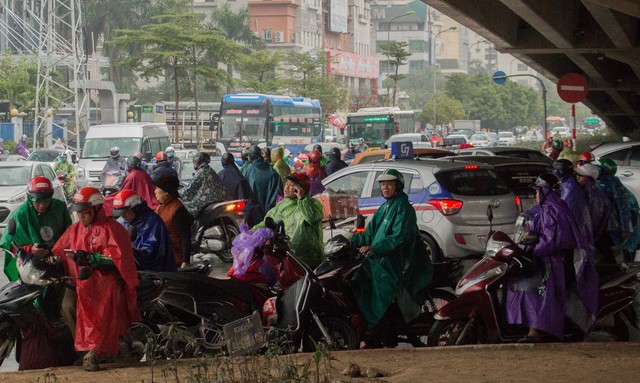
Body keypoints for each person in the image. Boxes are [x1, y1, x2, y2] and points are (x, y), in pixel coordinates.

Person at [52, 187, 140, 372]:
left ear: (96, 209)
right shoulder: (75, 229)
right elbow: (59, 249)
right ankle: (86, 349)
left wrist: (92, 258)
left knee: (99, 309)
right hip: (81, 281)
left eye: (84, 213)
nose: (81, 217)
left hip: (105, 280)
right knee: (67, 306)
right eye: (78, 213)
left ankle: (94, 350)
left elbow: (119, 262)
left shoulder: (113, 230)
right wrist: (48, 257)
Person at [506, 173, 598, 343]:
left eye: (537, 191)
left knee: (534, 290)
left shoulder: (553, 211)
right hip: (548, 260)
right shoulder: (550, 208)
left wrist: (530, 248)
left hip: (553, 263)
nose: (536, 195)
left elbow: (552, 241)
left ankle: (535, 332)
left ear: (544, 192)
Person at [348, 169, 433, 348]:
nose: (385, 187)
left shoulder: (404, 208)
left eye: (389, 184)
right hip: (381, 258)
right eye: (382, 184)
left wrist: (375, 249)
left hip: (398, 262)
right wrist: (350, 241)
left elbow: (399, 238)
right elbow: (369, 233)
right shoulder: (385, 207)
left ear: (398, 186)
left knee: (381, 289)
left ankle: (381, 334)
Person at [253, 172, 324, 268]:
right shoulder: (282, 205)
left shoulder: (313, 203)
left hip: (311, 259)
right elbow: (266, 222)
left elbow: (312, 218)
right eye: (286, 183)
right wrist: (250, 232)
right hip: (289, 257)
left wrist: (302, 199)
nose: (286, 187)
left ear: (300, 189)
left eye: (291, 185)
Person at [112, 189, 177, 272]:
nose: (123, 216)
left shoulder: (153, 222)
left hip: (156, 273)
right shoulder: (122, 222)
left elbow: (150, 254)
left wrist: (128, 250)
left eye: (125, 212)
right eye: (120, 213)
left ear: (135, 208)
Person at [153, 175, 193, 268]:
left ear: (166, 192)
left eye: (157, 188)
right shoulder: (161, 207)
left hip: (175, 259)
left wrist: (185, 261)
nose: (155, 191)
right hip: (163, 256)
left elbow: (185, 237)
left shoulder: (178, 209)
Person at [575, 163, 612, 263]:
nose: (577, 177)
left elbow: (594, 221)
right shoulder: (586, 192)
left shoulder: (595, 196)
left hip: (594, 235)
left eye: (581, 175)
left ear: (588, 178)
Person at [181, 151, 230, 218]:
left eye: (195, 161)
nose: (194, 163)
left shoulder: (201, 172)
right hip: (219, 200)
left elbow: (190, 189)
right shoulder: (210, 170)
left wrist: (179, 193)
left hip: (208, 201)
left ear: (198, 161)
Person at [552, 159, 593, 241]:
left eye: (555, 169)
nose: (553, 172)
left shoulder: (569, 187)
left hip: (575, 227)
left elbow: (566, 209)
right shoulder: (570, 181)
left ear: (560, 171)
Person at [241, 145, 282, 222]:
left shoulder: (248, 169)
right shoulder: (272, 171)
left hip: (253, 211)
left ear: (250, 156)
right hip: (269, 213)